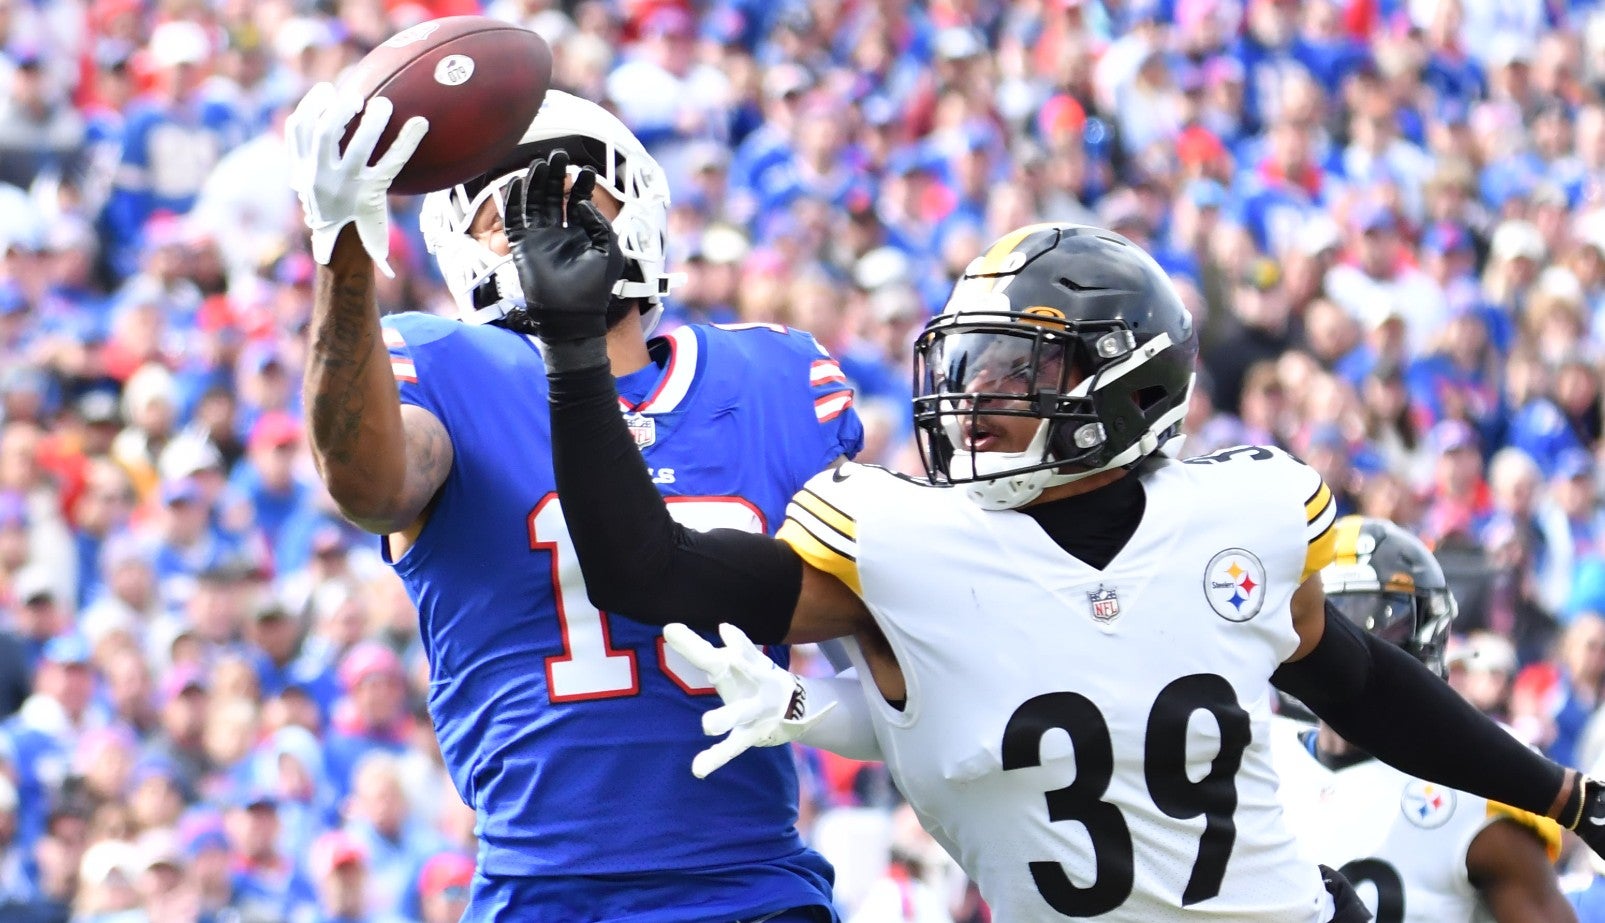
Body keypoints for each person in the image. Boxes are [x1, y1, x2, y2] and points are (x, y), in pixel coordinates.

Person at [519, 210, 1605, 922]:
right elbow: (644, 569)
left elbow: (1361, 680)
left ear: (1123, 386)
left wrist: (1556, 790)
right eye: (969, 363)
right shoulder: (899, 545)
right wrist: (574, 359)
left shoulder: (1242, 515)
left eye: (1013, 367)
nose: (975, 395)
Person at [285, 80, 862, 922]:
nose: (542, 217)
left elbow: (878, 649)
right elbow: (369, 487)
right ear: (461, 248)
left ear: (639, 204)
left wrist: (811, 708)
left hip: (751, 882)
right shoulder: (446, 366)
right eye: (504, 206)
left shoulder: (775, 376)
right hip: (546, 889)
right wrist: (340, 253)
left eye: (569, 185)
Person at [1271, 515, 1574, 923]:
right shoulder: (1258, 754)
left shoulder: (1476, 783)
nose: (1347, 647)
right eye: (1335, 618)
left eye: (1379, 620)